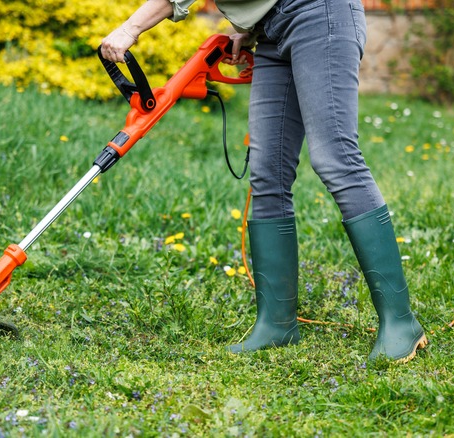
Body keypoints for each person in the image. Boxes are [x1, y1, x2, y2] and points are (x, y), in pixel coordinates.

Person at [101, 0, 427, 363]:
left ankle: (401, 322)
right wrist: (248, 27)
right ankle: (277, 323)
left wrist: (131, 28)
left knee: (335, 157)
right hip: (272, 31)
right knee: (266, 169)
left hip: (320, 14)